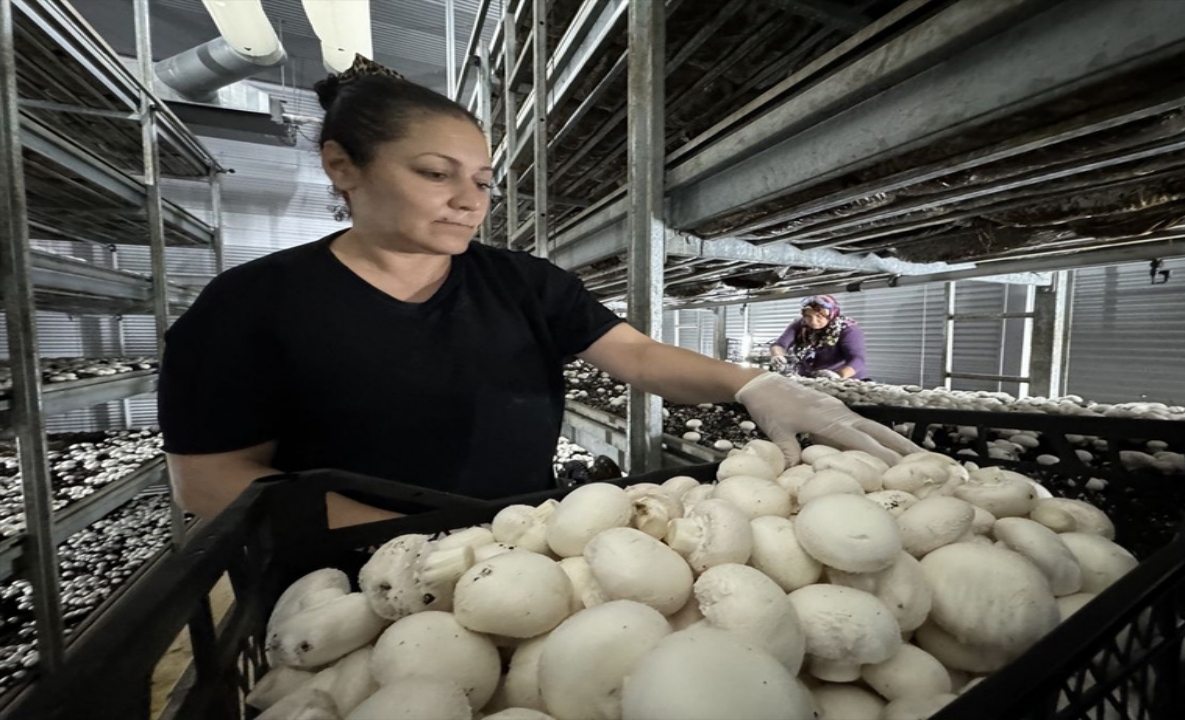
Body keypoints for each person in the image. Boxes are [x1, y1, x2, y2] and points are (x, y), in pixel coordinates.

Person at [158, 56, 917, 529]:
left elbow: (638, 357)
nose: (468, 199)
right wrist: (387, 535)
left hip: (522, 545)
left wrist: (752, 383)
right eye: (434, 173)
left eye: (483, 181)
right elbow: (212, 479)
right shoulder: (250, 307)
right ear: (341, 166)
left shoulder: (523, 283)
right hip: (336, 578)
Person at [769, 295, 868, 380]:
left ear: (830, 314)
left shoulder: (847, 330)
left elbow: (857, 360)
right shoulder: (801, 325)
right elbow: (780, 344)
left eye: (819, 316)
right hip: (812, 378)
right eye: (808, 316)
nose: (813, 321)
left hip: (843, 380)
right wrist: (777, 355)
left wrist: (839, 375)